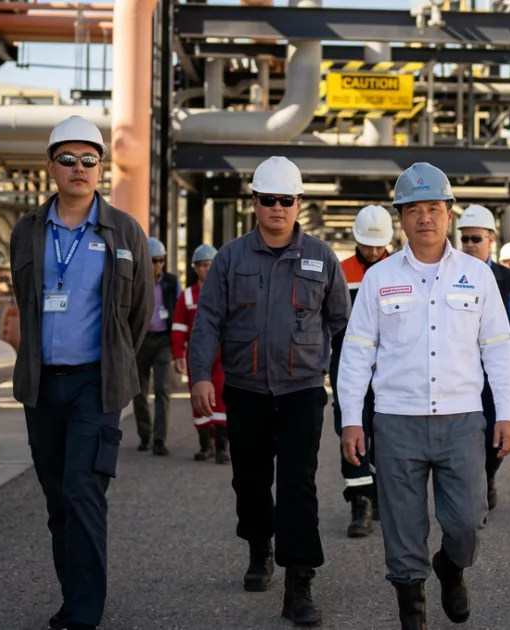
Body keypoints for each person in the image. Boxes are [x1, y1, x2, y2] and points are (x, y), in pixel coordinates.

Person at [337, 162, 510, 630]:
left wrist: (505, 412)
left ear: (449, 213)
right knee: (402, 525)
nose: (425, 218)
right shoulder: (379, 278)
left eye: (434, 208)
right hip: (397, 420)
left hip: (462, 420)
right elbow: (357, 352)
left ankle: (451, 567)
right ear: (400, 217)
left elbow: (498, 347)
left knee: (467, 521)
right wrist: (351, 419)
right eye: (414, 209)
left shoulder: (477, 275)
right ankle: (412, 606)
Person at [187, 156, 349, 626]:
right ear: (254, 202)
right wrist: (201, 375)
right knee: (250, 480)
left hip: (302, 390)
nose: (277, 208)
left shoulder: (322, 257)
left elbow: (342, 323)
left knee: (298, 483)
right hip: (246, 390)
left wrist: (345, 382)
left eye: (286, 200)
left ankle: (300, 580)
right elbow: (208, 319)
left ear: (298, 203)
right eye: (268, 199)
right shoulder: (231, 258)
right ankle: (260, 546)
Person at [8, 115, 153, 630]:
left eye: (89, 159)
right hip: (42, 386)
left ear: (101, 168)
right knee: (57, 500)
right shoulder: (27, 231)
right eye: (67, 159)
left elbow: (139, 312)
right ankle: (73, 597)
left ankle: (84, 612)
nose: (79, 168)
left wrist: (114, 361)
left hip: (96, 384)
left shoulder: (124, 231)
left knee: (82, 492)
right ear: (51, 167)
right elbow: (25, 300)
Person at [327, 204, 394, 538]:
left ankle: (380, 493)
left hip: (391, 365)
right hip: (348, 363)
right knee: (352, 429)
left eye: (378, 245)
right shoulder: (341, 272)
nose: (373, 251)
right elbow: (330, 320)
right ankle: (360, 502)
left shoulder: (400, 270)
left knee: (387, 431)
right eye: (367, 244)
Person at [456, 203, 510, 509]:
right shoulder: (450, 272)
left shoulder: (506, 278)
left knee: (496, 426)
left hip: (493, 369)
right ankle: (471, 482)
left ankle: (489, 474)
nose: (469, 244)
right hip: (461, 369)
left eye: (476, 238)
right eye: (465, 238)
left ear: (491, 239)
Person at [171, 243, 230, 464]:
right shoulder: (187, 296)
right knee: (199, 399)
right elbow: (179, 327)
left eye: (209, 265)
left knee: (222, 398)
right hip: (196, 356)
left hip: (223, 355)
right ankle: (205, 445)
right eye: (202, 265)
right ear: (195, 269)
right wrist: (178, 354)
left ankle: (222, 446)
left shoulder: (226, 293)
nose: (206, 269)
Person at [132, 236, 180, 456]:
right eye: (153, 260)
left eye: (161, 260)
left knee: (162, 389)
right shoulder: (135, 281)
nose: (157, 265)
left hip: (163, 340)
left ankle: (160, 439)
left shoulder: (171, 282)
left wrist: (178, 344)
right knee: (139, 391)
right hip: (141, 340)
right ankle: (145, 435)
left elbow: (178, 311)